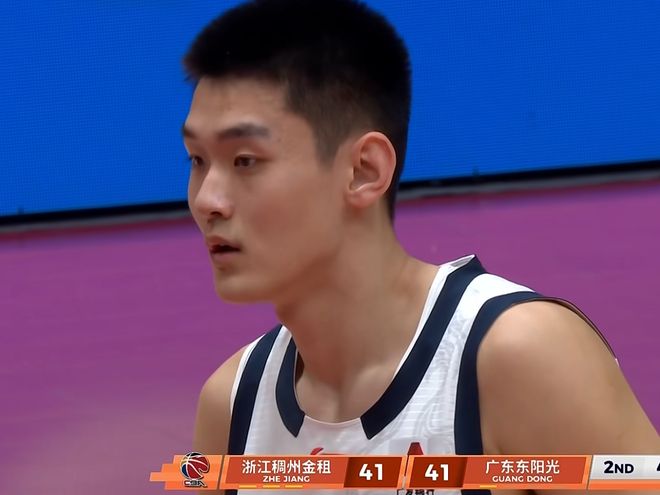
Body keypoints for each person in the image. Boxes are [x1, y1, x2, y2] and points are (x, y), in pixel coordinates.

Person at [180, 0, 659, 493]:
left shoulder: (519, 354)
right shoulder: (230, 405)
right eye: (196, 160)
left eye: (244, 160)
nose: (207, 200)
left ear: (364, 170)